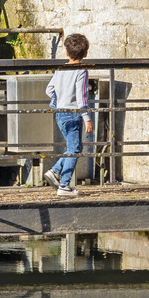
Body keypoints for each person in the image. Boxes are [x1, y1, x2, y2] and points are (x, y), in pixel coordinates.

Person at [43, 33, 93, 196]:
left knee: (73, 147)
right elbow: (82, 97)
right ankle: (64, 185)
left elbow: (49, 90)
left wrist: (59, 99)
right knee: (74, 149)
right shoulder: (81, 71)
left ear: (66, 52)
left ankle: (56, 171)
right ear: (85, 53)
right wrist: (87, 118)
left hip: (60, 114)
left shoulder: (61, 69)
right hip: (72, 114)